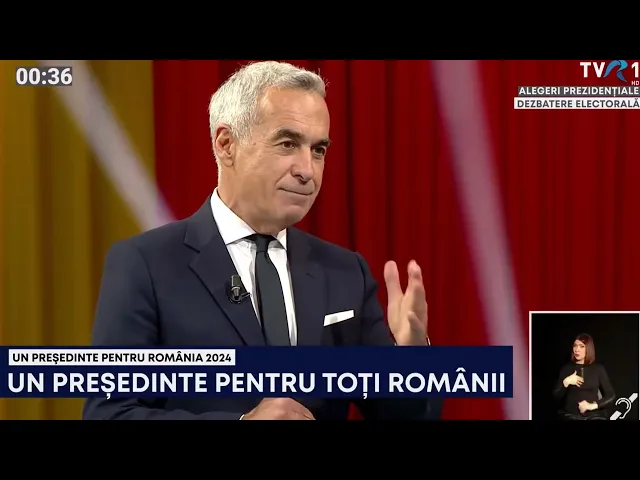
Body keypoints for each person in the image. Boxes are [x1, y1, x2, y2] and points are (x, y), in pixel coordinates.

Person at [83, 61, 433, 420]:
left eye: (318, 150)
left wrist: (412, 360)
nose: (307, 170)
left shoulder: (345, 272)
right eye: (288, 143)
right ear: (226, 144)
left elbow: (402, 415)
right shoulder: (146, 265)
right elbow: (109, 413)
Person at [552, 333, 615, 420]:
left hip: (593, 416)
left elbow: (610, 395)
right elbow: (556, 396)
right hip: (570, 415)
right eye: (575, 346)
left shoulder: (598, 369)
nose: (577, 349)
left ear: (588, 349)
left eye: (581, 346)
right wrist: (566, 382)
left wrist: (592, 406)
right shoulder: (566, 369)